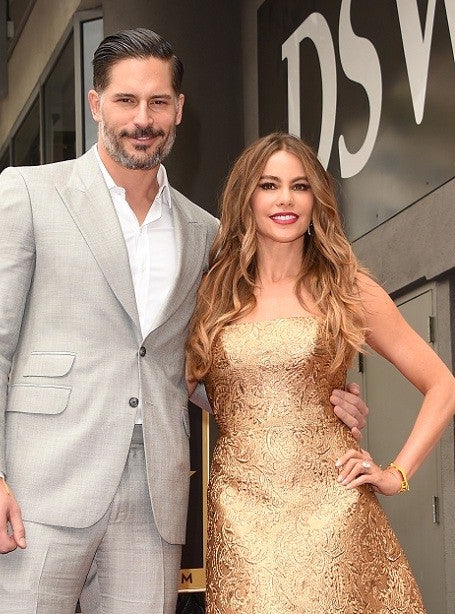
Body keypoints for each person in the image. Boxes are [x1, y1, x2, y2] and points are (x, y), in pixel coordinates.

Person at [0, 30, 368, 614]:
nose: (142, 119)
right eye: (126, 100)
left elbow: (202, 364)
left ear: (179, 109)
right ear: (96, 104)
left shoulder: (207, 234)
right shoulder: (31, 193)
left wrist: (309, 401)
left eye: (158, 102)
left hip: (153, 503)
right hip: (40, 492)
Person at [186, 132, 455, 613]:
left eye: (300, 186)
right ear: (247, 197)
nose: (285, 199)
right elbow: (174, 387)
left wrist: (396, 474)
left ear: (317, 200)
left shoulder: (346, 287)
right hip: (240, 512)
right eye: (269, 185)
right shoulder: (212, 292)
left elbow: (443, 385)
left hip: (334, 508)